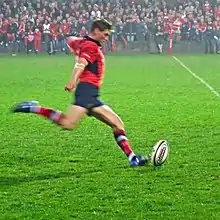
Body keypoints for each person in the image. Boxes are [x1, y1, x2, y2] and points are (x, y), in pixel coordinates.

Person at [12, 19, 149, 167]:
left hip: (92, 94)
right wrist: (72, 81)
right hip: (86, 92)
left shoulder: (82, 42)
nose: (106, 38)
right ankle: (32, 107)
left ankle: (133, 158)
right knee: (68, 123)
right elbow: (81, 64)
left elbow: (70, 40)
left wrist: (76, 49)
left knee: (117, 124)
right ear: (96, 31)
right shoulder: (91, 47)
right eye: (105, 34)